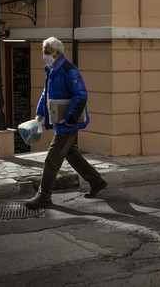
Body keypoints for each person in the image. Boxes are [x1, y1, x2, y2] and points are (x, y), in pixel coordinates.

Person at [26, 37, 108, 209]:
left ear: (57, 53)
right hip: (61, 120)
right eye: (43, 51)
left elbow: (81, 96)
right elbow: (45, 94)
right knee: (71, 154)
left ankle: (43, 196)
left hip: (67, 123)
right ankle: (96, 181)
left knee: (51, 158)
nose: (44, 54)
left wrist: (69, 120)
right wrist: (39, 116)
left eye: (47, 51)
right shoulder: (51, 69)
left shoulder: (68, 69)